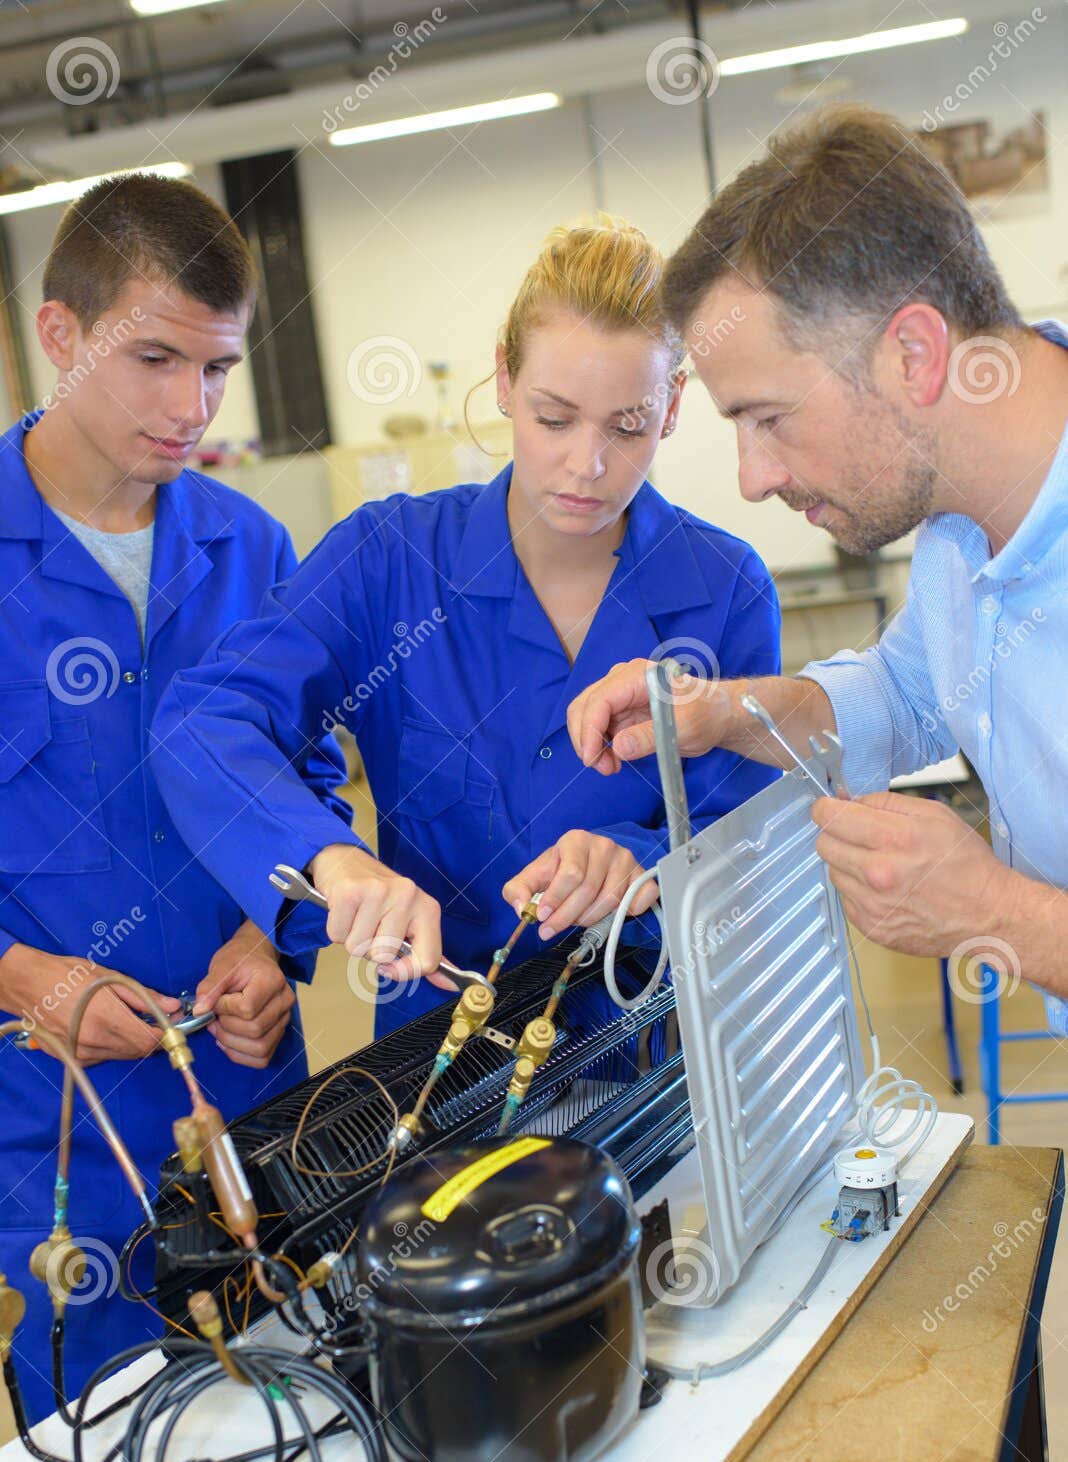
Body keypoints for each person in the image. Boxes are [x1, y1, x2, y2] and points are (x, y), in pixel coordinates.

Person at [151, 216, 781, 1035]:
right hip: (437, 1062)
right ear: (505, 381)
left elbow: (745, 841)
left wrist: (641, 861)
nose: (587, 464)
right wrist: (332, 862)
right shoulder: (390, 563)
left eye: (626, 425)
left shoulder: (724, 591)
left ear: (670, 411)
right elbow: (206, 719)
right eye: (555, 418)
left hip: (656, 1052)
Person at [566, 106, 1068, 1032]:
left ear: (912, 354)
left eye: (768, 418)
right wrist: (726, 714)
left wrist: (1000, 914)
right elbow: (910, 692)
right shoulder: (961, 526)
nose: (754, 480)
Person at [0, 173, 350, 1418]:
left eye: (214, 368)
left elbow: (310, 776)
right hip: (58, 1123)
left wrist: (274, 934)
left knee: (303, 1426)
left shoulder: (251, 550)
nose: (189, 406)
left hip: (254, 1098)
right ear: (59, 335)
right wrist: (22, 977)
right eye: (153, 358)